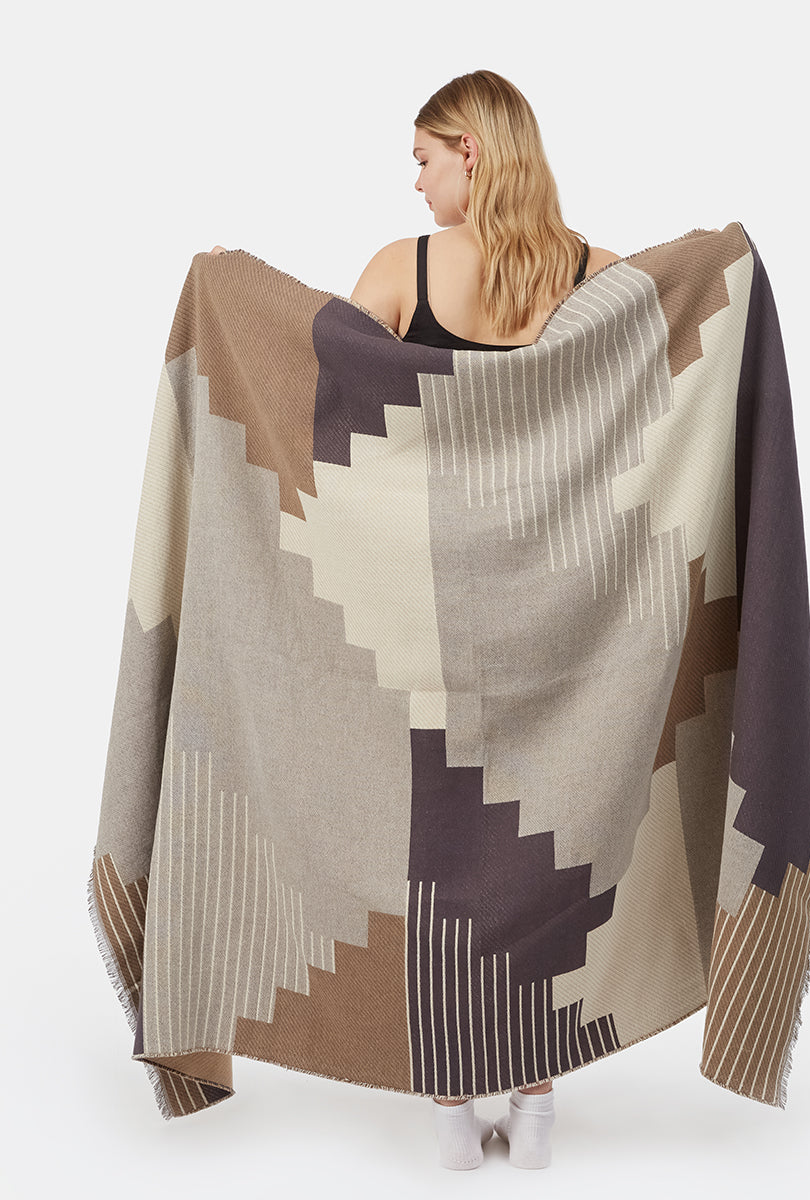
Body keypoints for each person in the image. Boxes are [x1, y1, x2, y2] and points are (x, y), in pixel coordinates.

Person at [206, 67, 622, 1171]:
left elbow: (325, 416)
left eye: (425, 157)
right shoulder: (598, 277)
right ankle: (537, 1101)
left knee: (435, 841)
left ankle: (449, 1103)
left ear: (470, 152)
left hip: (427, 619)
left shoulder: (405, 269)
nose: (418, 179)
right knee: (543, 839)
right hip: (560, 623)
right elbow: (668, 376)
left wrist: (232, 299)